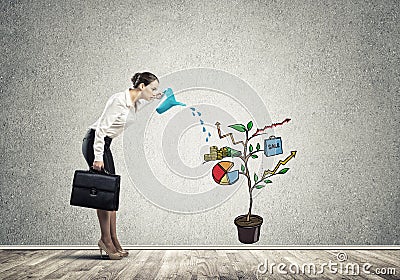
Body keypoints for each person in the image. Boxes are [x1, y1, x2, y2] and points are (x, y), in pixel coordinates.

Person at [82, 72, 162, 260]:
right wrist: (98, 156)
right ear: (142, 86)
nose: (154, 92)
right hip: (95, 142)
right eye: (153, 88)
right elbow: (101, 128)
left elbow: (141, 103)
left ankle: (114, 239)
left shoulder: (133, 103)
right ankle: (105, 240)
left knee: (111, 194)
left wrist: (156, 97)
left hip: (105, 145)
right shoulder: (119, 100)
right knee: (103, 194)